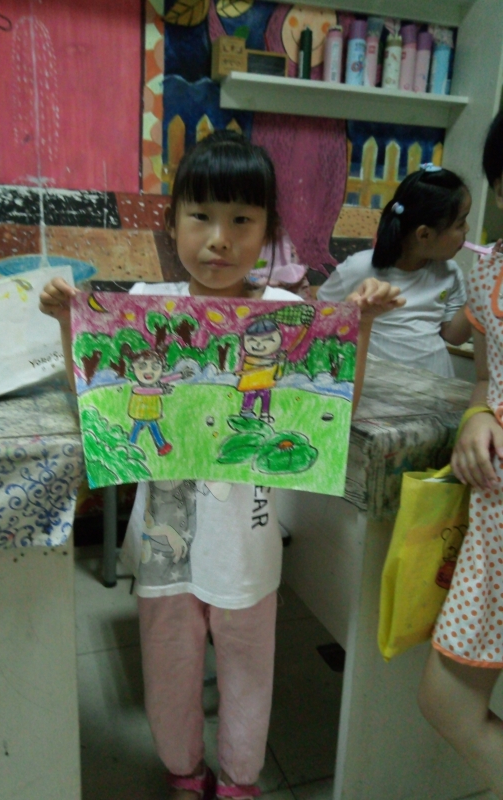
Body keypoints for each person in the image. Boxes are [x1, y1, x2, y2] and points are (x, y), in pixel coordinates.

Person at [39, 130, 403, 800]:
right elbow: (96, 399)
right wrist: (69, 323)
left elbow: (332, 408)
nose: (219, 239)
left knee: (248, 669)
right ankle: (184, 772)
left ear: (268, 231)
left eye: (241, 220)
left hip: (248, 545)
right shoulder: (145, 305)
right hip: (164, 542)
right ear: (172, 222)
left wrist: (363, 325)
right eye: (201, 216)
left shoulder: (286, 316)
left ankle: (239, 781)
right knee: (168, 663)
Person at [418, 111, 503, 798]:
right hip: (494, 523)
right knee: (446, 702)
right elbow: (484, 378)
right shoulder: (489, 271)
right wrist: (477, 415)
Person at [317, 165, 472, 377]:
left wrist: (484, 287)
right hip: (375, 386)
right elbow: (321, 318)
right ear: (424, 235)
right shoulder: (359, 268)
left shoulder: (449, 272)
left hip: (435, 384)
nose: (467, 229)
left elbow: (454, 336)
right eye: (461, 223)